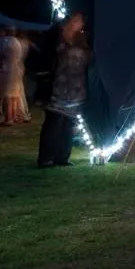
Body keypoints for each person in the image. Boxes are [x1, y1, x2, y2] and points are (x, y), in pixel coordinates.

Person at [38, 12, 91, 168]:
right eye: (75, 20)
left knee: (68, 125)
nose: (77, 23)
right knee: (53, 124)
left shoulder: (83, 39)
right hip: (57, 88)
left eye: (80, 21)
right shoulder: (56, 37)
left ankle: (62, 157)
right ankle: (46, 158)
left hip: (76, 88)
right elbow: (45, 58)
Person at [0, 24, 27, 126]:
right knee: (14, 95)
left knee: (6, 95)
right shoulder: (16, 42)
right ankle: (13, 116)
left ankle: (8, 118)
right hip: (15, 69)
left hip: (3, 70)